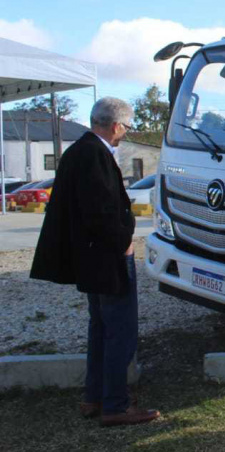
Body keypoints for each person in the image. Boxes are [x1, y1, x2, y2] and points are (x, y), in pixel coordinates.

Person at [30, 97, 160, 427]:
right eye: (126, 127)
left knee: (100, 328)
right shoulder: (95, 155)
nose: (125, 134)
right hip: (107, 257)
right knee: (120, 330)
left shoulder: (79, 151)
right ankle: (115, 404)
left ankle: (94, 396)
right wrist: (124, 242)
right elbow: (102, 212)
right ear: (116, 125)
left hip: (90, 257)